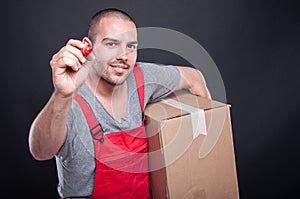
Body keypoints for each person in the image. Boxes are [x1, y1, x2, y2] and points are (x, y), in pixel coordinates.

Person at [28, 8, 211, 199]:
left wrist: (208, 141)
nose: (123, 55)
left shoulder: (142, 77)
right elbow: (41, 151)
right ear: (87, 47)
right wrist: (62, 95)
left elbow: (194, 77)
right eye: (111, 44)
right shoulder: (69, 102)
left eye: (131, 46)